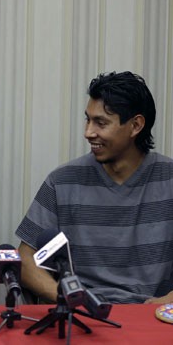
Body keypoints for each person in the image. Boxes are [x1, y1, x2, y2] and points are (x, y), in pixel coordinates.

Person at [15, 71, 173, 305]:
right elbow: (25, 260)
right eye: (88, 120)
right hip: (82, 317)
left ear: (136, 125)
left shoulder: (168, 179)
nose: (88, 132)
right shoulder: (62, 181)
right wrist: (69, 298)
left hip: (152, 318)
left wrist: (168, 301)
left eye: (101, 122)